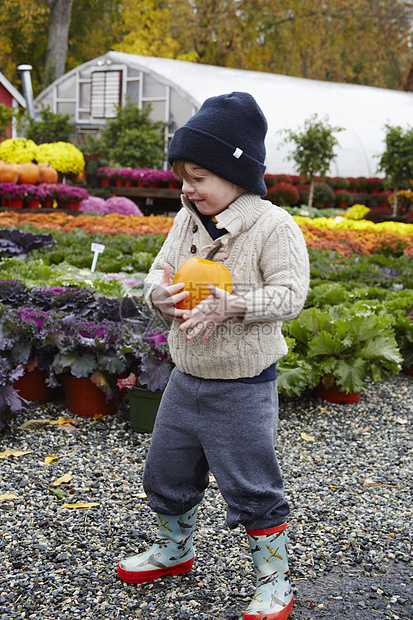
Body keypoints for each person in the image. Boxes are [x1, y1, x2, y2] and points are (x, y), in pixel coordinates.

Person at [117, 91, 310, 620]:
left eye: (198, 176)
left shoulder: (274, 226)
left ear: (236, 172)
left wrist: (236, 305)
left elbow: (292, 296)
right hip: (186, 377)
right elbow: (158, 273)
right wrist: (157, 294)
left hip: (244, 384)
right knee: (165, 471)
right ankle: (175, 551)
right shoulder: (185, 220)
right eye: (182, 176)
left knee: (251, 485)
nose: (187, 188)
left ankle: (275, 580)